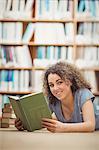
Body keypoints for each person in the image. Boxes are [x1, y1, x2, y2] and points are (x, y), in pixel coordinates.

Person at [15, 61, 99, 132]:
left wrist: (63, 127)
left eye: (59, 82)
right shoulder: (52, 99)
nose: (55, 89)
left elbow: (90, 125)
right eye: (51, 85)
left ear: (69, 81)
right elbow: (42, 122)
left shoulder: (83, 94)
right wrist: (24, 124)